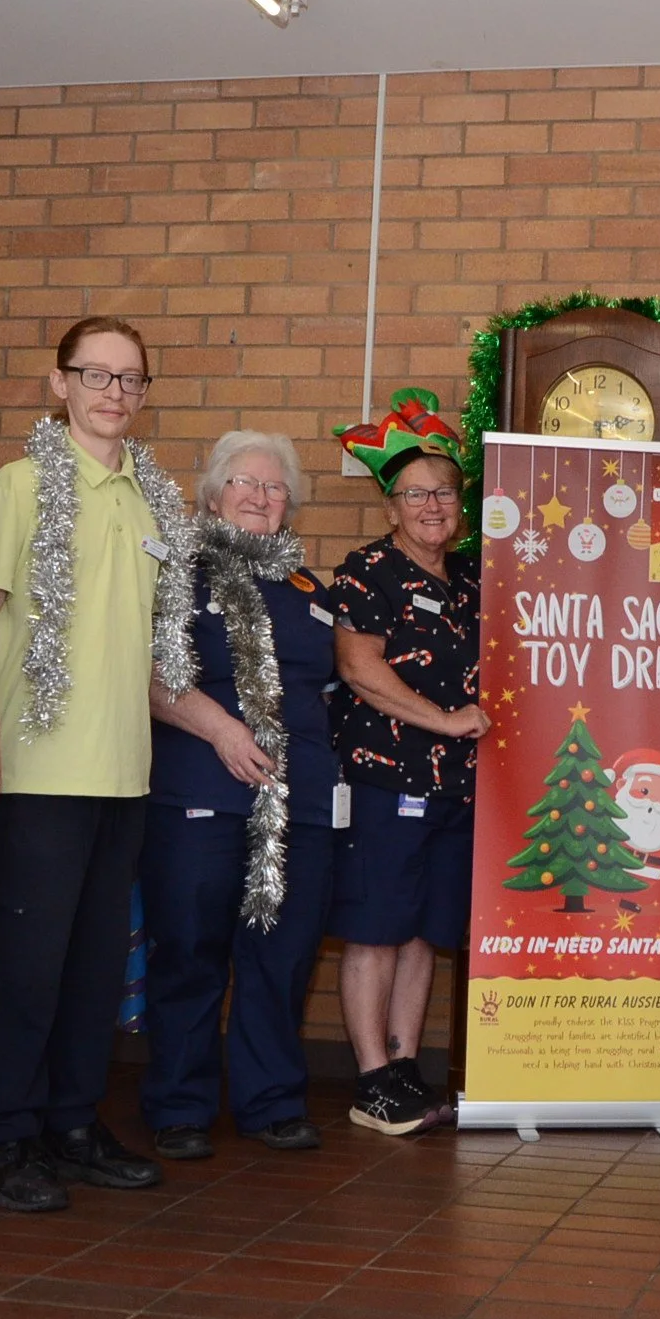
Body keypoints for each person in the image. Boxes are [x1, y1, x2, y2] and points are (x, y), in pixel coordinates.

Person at [0, 316, 191, 1212]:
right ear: (57, 383)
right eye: (94, 374)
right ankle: (8, 1139)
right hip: (36, 773)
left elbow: (150, 652)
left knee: (96, 968)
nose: (112, 392)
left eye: (130, 379)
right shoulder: (19, 487)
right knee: (25, 968)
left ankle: (71, 1121)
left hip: (124, 776)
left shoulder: (156, 505)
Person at [139, 431, 336, 1159]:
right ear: (213, 496)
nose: (259, 496)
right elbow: (150, 676)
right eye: (244, 484)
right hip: (199, 795)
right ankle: (180, 1105)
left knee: (281, 957)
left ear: (289, 506)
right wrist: (222, 731)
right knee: (189, 951)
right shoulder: (179, 575)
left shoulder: (312, 593)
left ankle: (271, 1100)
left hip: (303, 803)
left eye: (274, 487)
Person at [328, 389, 485, 1135]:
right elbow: (361, 670)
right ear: (390, 507)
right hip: (386, 781)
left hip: (457, 788)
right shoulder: (367, 572)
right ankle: (369, 1080)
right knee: (377, 927)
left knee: (425, 929)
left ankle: (403, 1068)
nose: (433, 505)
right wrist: (448, 721)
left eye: (444, 492)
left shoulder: (472, 580)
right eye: (416, 494)